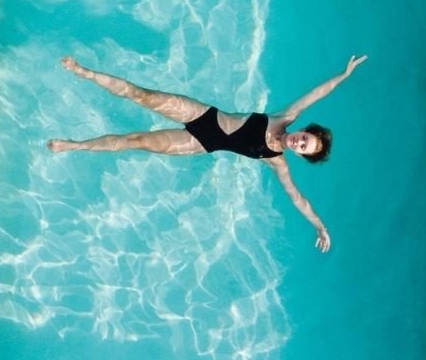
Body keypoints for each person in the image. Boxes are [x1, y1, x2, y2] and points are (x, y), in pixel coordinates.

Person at [48, 54, 366, 252]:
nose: (298, 142)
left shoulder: (276, 162)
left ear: (300, 154)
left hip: (201, 144)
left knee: (136, 140)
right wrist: (344, 75)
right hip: (204, 116)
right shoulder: (286, 117)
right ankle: (84, 72)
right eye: (304, 138)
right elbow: (315, 94)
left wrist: (319, 226)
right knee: (140, 94)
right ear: (303, 131)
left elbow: (298, 199)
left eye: (303, 147)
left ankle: (72, 145)